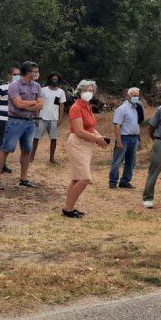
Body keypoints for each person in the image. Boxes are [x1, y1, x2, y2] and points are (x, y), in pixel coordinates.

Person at [0, 61, 42, 190]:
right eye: (35, 71)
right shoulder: (14, 86)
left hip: (29, 122)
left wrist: (28, 105)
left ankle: (23, 179)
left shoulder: (37, 86)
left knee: (27, 150)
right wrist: (33, 103)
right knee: (6, 149)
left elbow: (40, 104)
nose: (37, 74)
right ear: (28, 72)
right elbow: (18, 104)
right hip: (15, 121)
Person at [61, 80, 105, 218]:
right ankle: (68, 209)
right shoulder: (76, 107)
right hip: (78, 143)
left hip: (86, 145)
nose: (88, 93)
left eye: (91, 90)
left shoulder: (88, 106)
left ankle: (68, 207)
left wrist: (99, 137)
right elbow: (79, 131)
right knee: (84, 179)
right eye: (85, 90)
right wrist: (97, 139)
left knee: (76, 178)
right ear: (79, 92)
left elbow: (90, 127)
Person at [110, 87, 142, 189]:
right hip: (124, 138)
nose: (136, 97)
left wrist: (138, 138)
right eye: (134, 95)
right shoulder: (122, 109)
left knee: (131, 161)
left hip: (134, 137)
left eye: (137, 95)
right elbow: (117, 125)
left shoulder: (138, 108)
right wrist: (118, 140)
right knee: (118, 160)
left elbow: (137, 123)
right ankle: (113, 181)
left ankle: (125, 181)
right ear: (128, 96)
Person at [0, 67, 20, 175]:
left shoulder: (21, 88)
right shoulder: (2, 88)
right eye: (14, 74)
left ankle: (3, 164)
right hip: (1, 119)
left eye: (18, 74)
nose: (17, 76)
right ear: (9, 75)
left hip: (13, 120)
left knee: (6, 144)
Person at [33, 73, 67, 164]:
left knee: (53, 139)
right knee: (36, 138)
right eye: (52, 79)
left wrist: (60, 118)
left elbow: (61, 106)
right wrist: (36, 116)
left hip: (54, 119)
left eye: (56, 79)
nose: (54, 80)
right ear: (50, 80)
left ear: (58, 80)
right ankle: (31, 157)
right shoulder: (43, 90)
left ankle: (52, 159)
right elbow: (38, 103)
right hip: (42, 117)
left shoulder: (61, 92)